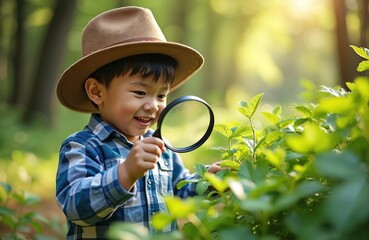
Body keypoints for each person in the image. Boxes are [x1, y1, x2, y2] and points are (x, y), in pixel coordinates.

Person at [55, 6, 222, 239]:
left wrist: (209, 183)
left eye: (161, 95)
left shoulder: (162, 148)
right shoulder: (82, 147)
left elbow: (180, 193)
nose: (153, 105)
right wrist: (125, 173)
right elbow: (75, 207)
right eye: (140, 93)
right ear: (97, 92)